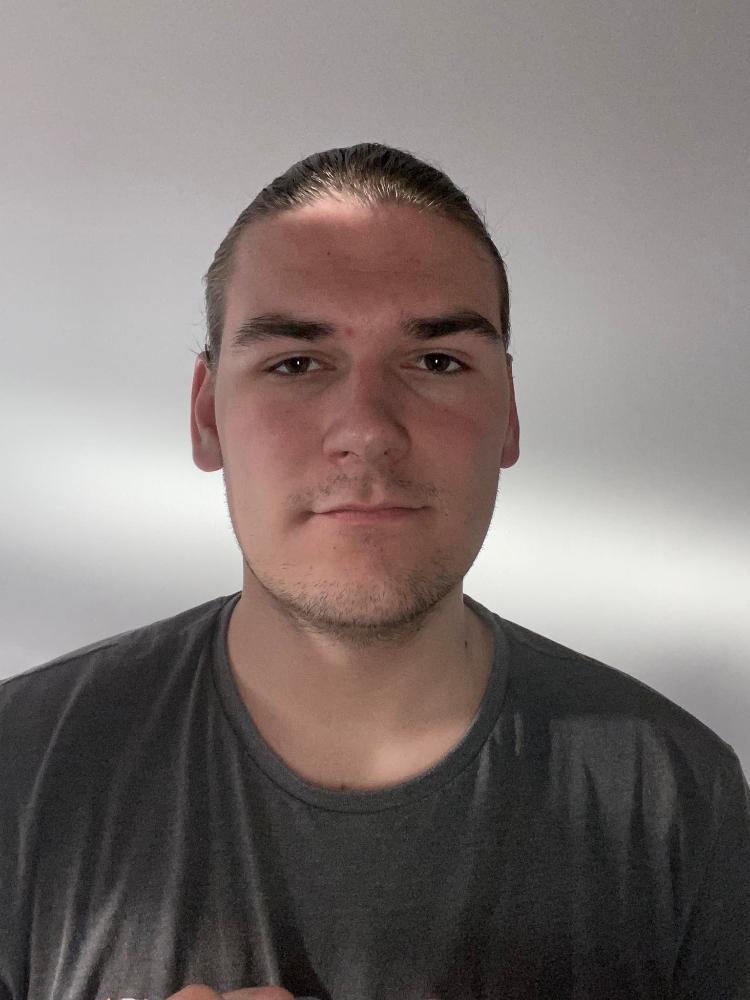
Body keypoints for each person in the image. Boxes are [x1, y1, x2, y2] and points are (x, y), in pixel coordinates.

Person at [1, 143, 748, 1000]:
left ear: (508, 412)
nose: (367, 429)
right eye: (294, 363)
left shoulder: (677, 795)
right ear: (207, 417)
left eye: (436, 362)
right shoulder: (19, 768)